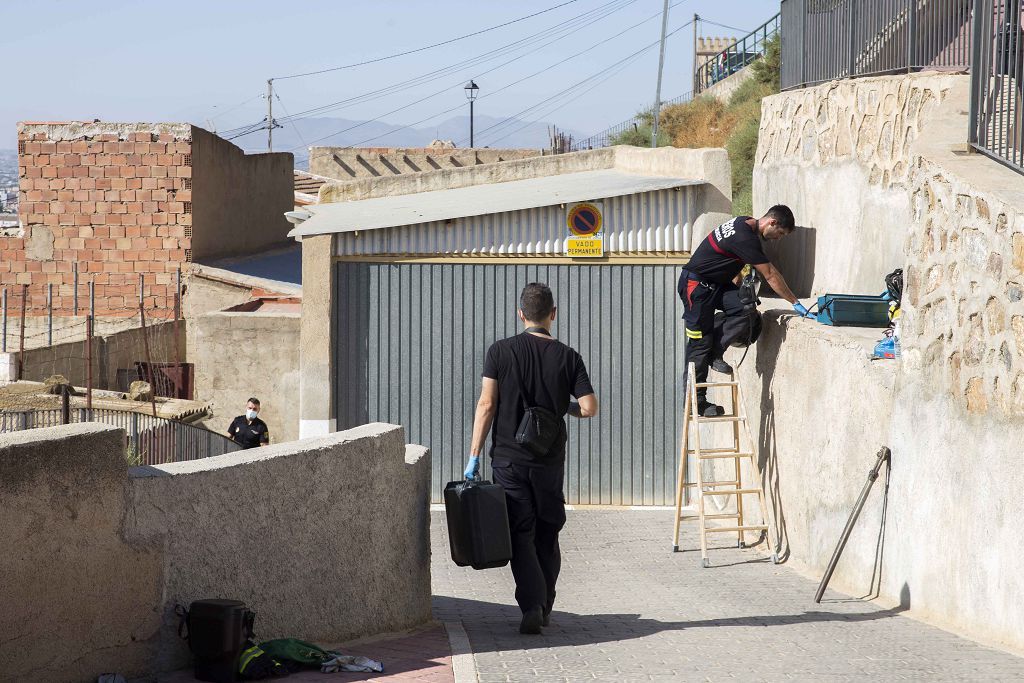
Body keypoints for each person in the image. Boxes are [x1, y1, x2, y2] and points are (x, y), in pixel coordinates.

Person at [464, 283, 598, 635]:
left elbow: (487, 404)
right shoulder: (569, 357)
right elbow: (589, 408)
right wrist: (560, 407)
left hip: (508, 459)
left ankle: (533, 605)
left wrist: (474, 456)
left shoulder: (500, 351)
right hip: (549, 462)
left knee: (520, 531)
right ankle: (546, 602)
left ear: (520, 313)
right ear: (553, 314)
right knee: (548, 529)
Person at [678, 205, 814, 417]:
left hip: (716, 285)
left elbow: (726, 256)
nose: (778, 239)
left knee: (746, 309)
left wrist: (738, 284)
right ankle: (696, 402)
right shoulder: (746, 237)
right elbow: (770, 274)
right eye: (779, 234)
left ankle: (715, 349)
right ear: (772, 222)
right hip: (696, 287)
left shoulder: (745, 223)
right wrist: (795, 302)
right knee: (699, 342)